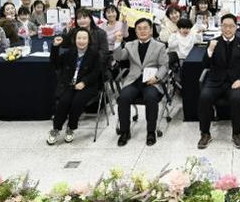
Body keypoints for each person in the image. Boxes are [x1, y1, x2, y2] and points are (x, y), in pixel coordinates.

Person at [198, 14, 240, 150]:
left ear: (236, 27)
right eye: (225, 26)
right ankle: (205, 133)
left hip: (235, 81)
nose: (228, 29)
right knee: (204, 97)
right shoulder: (213, 42)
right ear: (221, 27)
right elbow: (205, 64)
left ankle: (236, 133)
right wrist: (210, 50)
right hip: (215, 80)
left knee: (237, 98)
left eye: (231, 26)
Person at [114, 18, 169, 146]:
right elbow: (118, 57)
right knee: (123, 97)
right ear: (136, 32)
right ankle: (124, 132)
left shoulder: (160, 46)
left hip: (152, 81)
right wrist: (117, 43)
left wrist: (157, 77)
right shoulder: (130, 45)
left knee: (151, 97)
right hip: (134, 81)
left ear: (151, 30)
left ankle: (151, 132)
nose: (142, 31)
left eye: (145, 28)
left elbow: (164, 66)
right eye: (139, 29)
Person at [46, 29, 102, 145]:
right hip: (70, 85)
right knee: (63, 102)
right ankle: (56, 129)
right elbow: (55, 63)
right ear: (74, 40)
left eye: (84, 38)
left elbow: (96, 73)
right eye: (79, 38)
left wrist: (84, 82)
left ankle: (71, 127)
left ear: (89, 40)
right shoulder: (70, 53)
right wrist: (55, 47)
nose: (81, 41)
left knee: (77, 102)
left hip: (87, 86)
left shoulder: (94, 55)